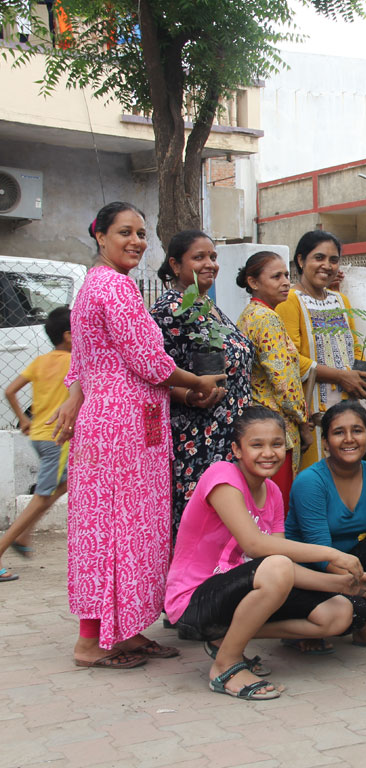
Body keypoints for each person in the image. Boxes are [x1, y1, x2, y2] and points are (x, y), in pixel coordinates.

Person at [50, 201, 224, 668]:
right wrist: (197, 382)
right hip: (121, 426)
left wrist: (75, 397)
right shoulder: (115, 287)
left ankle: (122, 632)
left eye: (141, 233)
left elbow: (84, 360)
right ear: (100, 236)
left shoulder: (95, 284)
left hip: (118, 421)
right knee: (116, 530)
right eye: (124, 232)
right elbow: (149, 361)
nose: (136, 241)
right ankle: (91, 642)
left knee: (118, 529)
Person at [165, 406, 366, 700]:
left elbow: (279, 564)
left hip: (239, 594)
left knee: (340, 612)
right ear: (236, 449)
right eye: (256, 445)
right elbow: (256, 546)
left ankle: (225, 638)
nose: (268, 453)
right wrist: (332, 554)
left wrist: (344, 584)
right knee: (278, 566)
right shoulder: (222, 475)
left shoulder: (272, 492)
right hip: (193, 602)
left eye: (276, 444)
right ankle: (225, 666)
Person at [286, 401, 366, 652]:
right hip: (307, 573)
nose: (349, 439)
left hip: (346, 564)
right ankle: (300, 627)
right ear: (325, 442)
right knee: (355, 610)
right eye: (339, 432)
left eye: (357, 431)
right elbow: (319, 553)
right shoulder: (310, 481)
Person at [151, 230, 254, 531]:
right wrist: (189, 394)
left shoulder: (207, 305)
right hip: (199, 435)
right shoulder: (171, 309)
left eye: (213, 257)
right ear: (175, 264)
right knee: (203, 522)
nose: (210, 263)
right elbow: (156, 374)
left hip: (230, 431)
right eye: (199, 257)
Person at [277, 230, 366, 471]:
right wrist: (341, 376)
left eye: (333, 260)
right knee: (317, 478)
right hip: (311, 416)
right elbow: (290, 359)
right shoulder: (289, 301)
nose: (327, 266)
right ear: (301, 260)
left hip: (347, 411)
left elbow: (356, 346)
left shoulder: (341, 300)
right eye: (319, 258)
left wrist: (363, 379)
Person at [0, 307, 72, 581]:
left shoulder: (41, 361)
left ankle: (23, 535)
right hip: (57, 441)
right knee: (42, 498)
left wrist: (23, 419)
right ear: (69, 336)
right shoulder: (73, 362)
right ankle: (4, 546)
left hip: (38, 437)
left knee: (66, 483)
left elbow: (10, 390)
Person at [235, 251, 307, 512]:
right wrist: (303, 421)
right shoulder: (267, 318)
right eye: (276, 276)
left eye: (286, 275)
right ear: (253, 282)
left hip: (255, 424)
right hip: (277, 428)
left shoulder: (249, 314)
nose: (286, 282)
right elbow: (285, 381)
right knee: (277, 508)